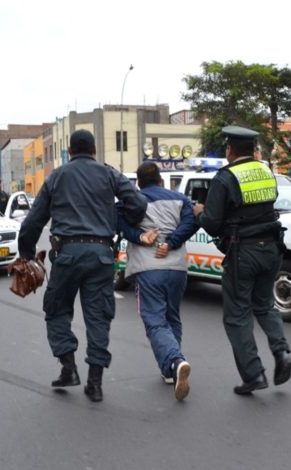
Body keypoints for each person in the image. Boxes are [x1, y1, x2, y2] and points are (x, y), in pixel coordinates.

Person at [17, 129, 147, 403]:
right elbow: (137, 203)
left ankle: (68, 368)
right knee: (98, 317)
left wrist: (26, 253)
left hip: (67, 254)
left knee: (56, 310)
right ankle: (95, 383)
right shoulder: (109, 173)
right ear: (94, 150)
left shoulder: (57, 176)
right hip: (101, 255)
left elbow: (33, 221)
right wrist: (121, 220)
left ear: (70, 151)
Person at [192, 125, 291, 395]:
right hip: (271, 248)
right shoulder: (266, 171)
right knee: (264, 305)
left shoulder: (225, 177)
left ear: (230, 150)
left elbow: (213, 224)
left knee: (237, 316)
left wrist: (200, 212)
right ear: (253, 150)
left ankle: (254, 374)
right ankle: (282, 351)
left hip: (243, 252)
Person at [117, 162, 200, 401]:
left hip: (148, 269)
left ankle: (175, 361)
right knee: (172, 317)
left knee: (155, 321)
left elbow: (119, 223)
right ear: (161, 180)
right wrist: (171, 242)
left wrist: (141, 237)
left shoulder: (133, 201)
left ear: (139, 183)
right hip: (177, 269)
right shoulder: (180, 199)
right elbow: (190, 223)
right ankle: (171, 371)